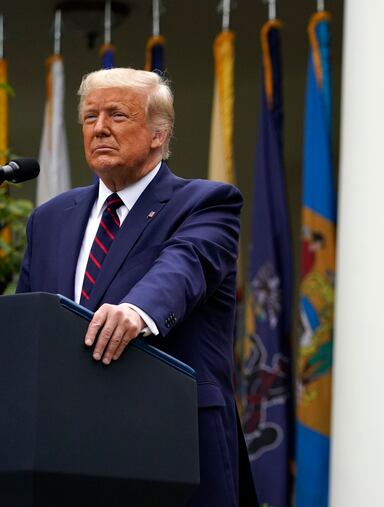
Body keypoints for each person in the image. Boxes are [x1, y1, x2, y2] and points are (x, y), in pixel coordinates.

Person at [17, 68, 258, 506]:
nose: (100, 128)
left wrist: (136, 311)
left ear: (158, 135)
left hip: (171, 446)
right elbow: (27, 328)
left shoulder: (206, 202)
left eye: (117, 115)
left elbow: (184, 266)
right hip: (63, 454)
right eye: (90, 117)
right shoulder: (49, 218)